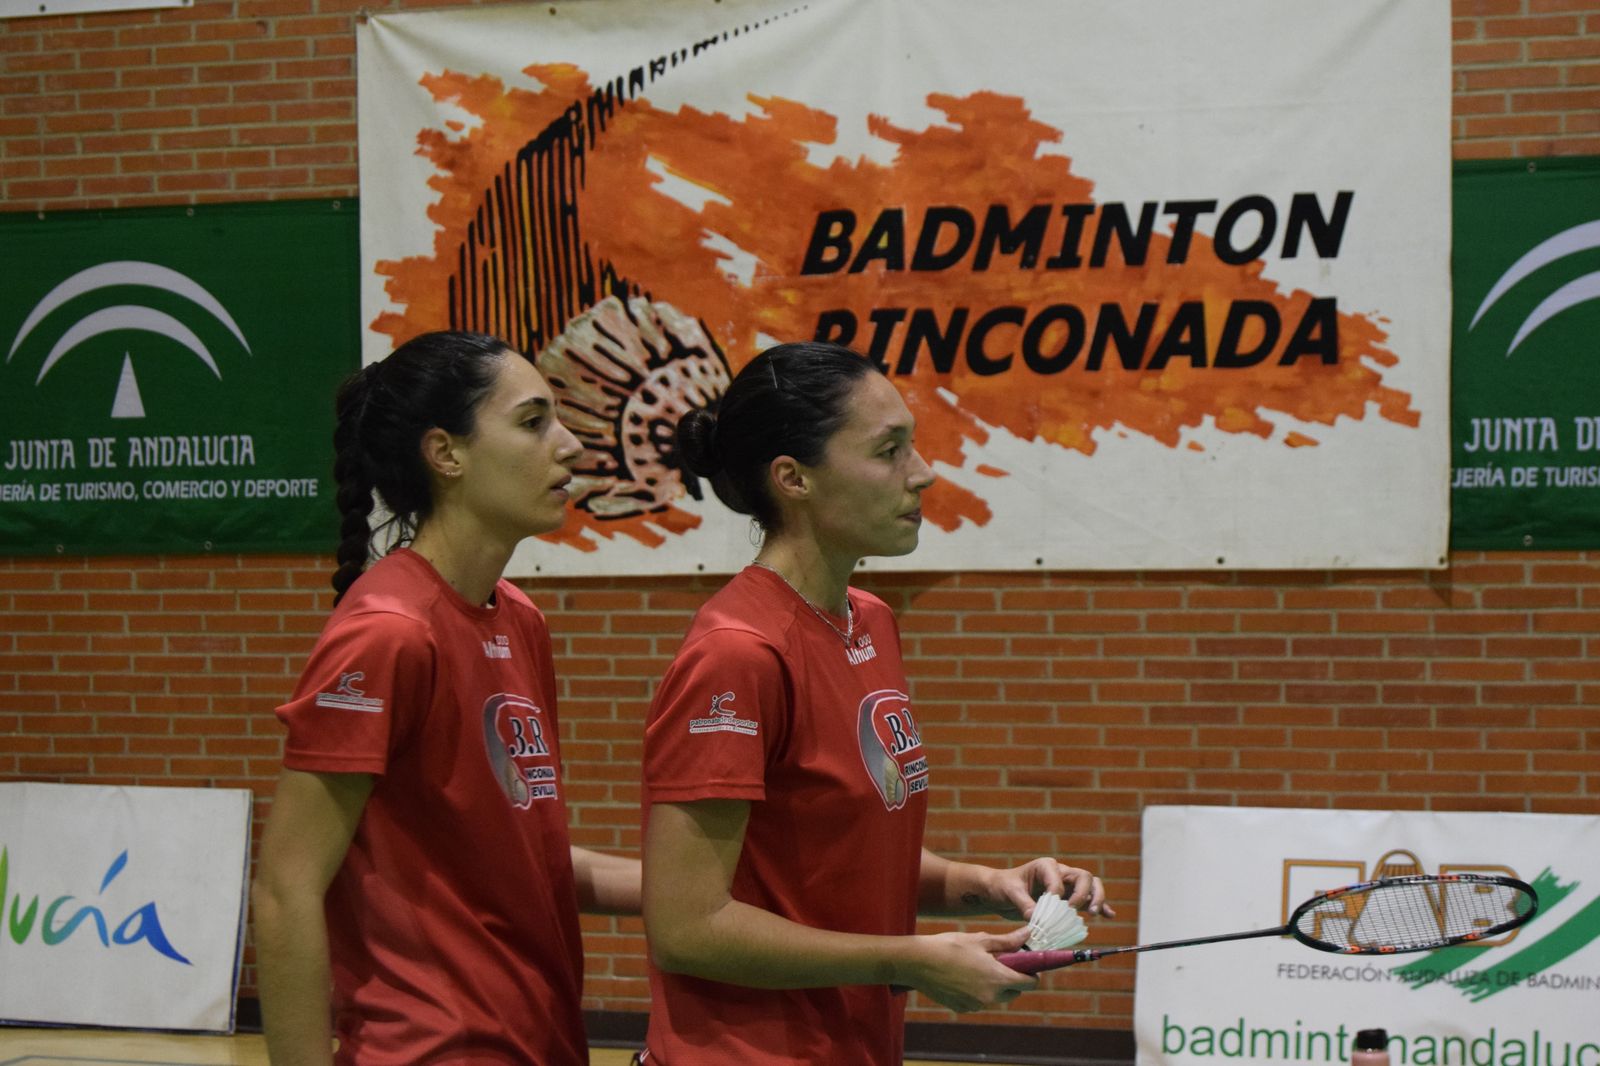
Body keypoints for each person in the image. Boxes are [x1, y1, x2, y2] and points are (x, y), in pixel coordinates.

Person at [639, 341, 1113, 1064]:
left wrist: (986, 885)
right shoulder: (737, 653)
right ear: (793, 478)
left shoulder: (870, 620)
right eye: (889, 450)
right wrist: (909, 960)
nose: (921, 474)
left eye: (912, 445)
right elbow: (687, 928)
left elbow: (840, 863)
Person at [251, 330, 641, 1066]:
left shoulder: (518, 619)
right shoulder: (387, 632)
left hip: (540, 1042)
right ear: (446, 453)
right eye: (532, 422)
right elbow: (285, 889)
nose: (570, 447)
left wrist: (697, 895)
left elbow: (519, 859)